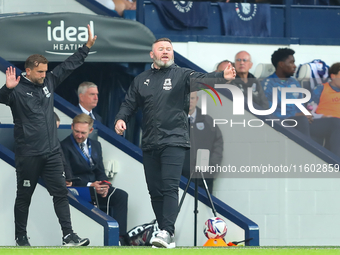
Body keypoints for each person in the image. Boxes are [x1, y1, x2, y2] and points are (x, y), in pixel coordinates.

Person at [114, 38, 235, 248]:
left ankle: (167, 230)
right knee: (154, 190)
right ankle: (165, 233)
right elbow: (129, 104)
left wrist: (221, 77)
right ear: (152, 55)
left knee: (170, 187)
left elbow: (203, 78)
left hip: (175, 140)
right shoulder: (141, 80)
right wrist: (120, 119)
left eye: (169, 49)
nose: (165, 52)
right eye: (160, 49)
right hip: (150, 143)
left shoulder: (182, 75)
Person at [0, 24, 96, 246]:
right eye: (40, 72)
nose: (44, 75)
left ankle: (68, 236)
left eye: (45, 71)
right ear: (29, 71)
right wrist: (7, 88)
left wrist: (86, 47)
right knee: (24, 197)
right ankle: (21, 238)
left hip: (52, 153)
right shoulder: (15, 89)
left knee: (60, 193)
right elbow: (1, 98)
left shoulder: (49, 81)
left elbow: (68, 66)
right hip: (29, 155)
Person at [61, 113, 129, 245]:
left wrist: (104, 185)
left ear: (90, 131)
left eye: (83, 132)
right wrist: (91, 185)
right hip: (79, 188)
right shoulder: (64, 146)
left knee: (121, 195)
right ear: (72, 127)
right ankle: (111, 239)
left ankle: (120, 238)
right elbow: (69, 177)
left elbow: (100, 172)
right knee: (101, 196)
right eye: (76, 131)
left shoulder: (96, 145)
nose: (79, 135)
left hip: (96, 187)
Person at [262, 48, 340, 157]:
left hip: (302, 121)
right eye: (291, 62)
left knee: (335, 122)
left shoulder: (294, 82)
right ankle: (307, 157)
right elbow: (270, 111)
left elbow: (302, 106)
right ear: (281, 64)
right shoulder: (268, 84)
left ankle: (336, 163)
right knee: (302, 120)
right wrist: (297, 115)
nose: (295, 66)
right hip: (284, 122)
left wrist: (307, 113)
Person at [182, 91, 223, 194]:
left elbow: (218, 143)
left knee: (204, 209)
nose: (189, 101)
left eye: (192, 98)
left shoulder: (208, 121)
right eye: (187, 98)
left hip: (204, 180)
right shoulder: (174, 122)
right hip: (180, 179)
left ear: (197, 100)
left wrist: (211, 166)